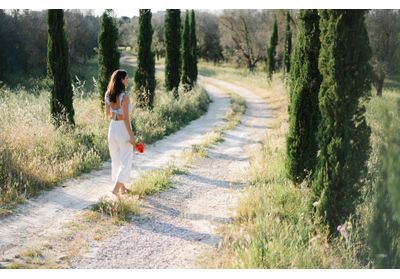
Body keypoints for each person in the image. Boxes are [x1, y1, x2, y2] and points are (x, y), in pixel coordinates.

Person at [104, 69, 135, 198]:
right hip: (123, 127)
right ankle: (116, 188)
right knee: (126, 160)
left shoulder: (107, 94)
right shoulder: (125, 96)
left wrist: (115, 112)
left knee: (116, 159)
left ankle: (122, 188)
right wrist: (132, 136)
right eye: (126, 78)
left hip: (112, 128)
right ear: (122, 80)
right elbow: (127, 119)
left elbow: (107, 114)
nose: (128, 80)